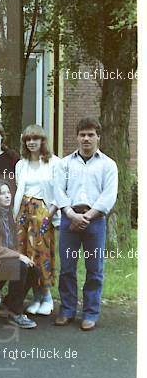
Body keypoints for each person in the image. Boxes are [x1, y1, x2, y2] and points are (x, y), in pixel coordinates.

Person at [53, 117, 118, 331]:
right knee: (67, 269)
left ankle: (90, 312)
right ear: (77, 137)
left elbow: (108, 196)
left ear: (98, 137)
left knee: (94, 269)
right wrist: (72, 215)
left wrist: (87, 217)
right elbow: (59, 191)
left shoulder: (108, 165)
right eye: (82, 135)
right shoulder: (65, 163)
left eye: (91, 134)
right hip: (69, 219)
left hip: (95, 222)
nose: (86, 139)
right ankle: (67, 309)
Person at [14, 125, 61, 315]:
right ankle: (36, 297)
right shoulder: (21, 164)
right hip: (24, 214)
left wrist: (49, 214)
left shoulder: (54, 163)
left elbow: (59, 192)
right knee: (26, 256)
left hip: (43, 213)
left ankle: (47, 297)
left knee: (42, 255)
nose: (31, 142)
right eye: (28, 139)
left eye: (35, 139)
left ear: (43, 141)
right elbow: (19, 190)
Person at [0, 180, 37, 328]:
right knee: (20, 266)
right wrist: (18, 256)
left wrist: (21, 255)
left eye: (8, 192)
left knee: (33, 269)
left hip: (3, 258)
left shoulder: (8, 212)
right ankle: (15, 313)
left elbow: (12, 242)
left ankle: (10, 303)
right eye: (2, 194)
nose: (7, 196)